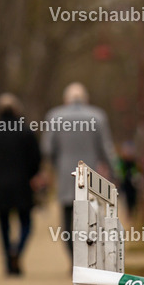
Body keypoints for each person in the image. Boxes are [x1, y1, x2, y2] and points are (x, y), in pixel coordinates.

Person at [40, 82, 117, 259]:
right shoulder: (97, 116)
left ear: (66, 99)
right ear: (85, 99)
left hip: (66, 176)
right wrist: (113, 173)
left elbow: (47, 148)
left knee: (68, 219)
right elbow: (106, 148)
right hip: (90, 177)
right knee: (90, 218)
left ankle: (73, 257)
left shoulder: (55, 116)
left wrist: (55, 166)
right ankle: (88, 258)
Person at [0, 94, 41, 276]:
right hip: (22, 186)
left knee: (3, 225)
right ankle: (17, 251)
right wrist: (31, 175)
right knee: (26, 222)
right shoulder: (27, 131)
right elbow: (36, 159)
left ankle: (8, 261)